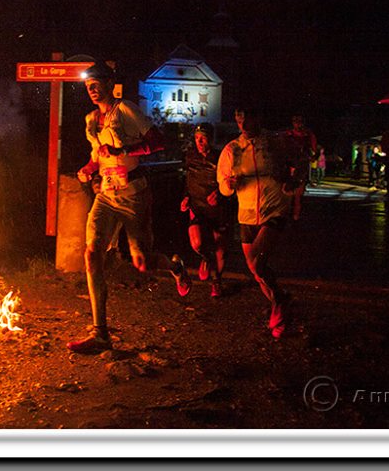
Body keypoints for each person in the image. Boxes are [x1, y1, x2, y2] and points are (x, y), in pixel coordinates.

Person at [68, 62, 191, 354]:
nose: (92, 90)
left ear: (110, 84)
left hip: (134, 193)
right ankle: (100, 333)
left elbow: (158, 142)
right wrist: (87, 170)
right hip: (106, 194)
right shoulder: (90, 120)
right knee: (92, 253)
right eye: (88, 86)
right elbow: (97, 158)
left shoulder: (125, 110)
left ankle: (174, 266)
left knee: (142, 262)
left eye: (96, 84)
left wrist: (123, 150)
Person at [218, 106, 296, 338]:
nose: (243, 126)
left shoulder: (275, 142)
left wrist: (292, 183)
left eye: (247, 120)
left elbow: (299, 163)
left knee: (258, 263)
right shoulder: (232, 149)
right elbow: (222, 185)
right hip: (247, 213)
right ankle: (279, 309)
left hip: (274, 208)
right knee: (254, 270)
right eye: (239, 121)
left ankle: (280, 301)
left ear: (258, 119)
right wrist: (228, 186)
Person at [180, 123, 228, 297]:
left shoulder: (220, 157)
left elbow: (229, 183)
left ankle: (216, 281)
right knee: (197, 243)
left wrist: (220, 194)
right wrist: (186, 196)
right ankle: (206, 258)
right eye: (197, 138)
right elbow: (188, 179)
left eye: (203, 138)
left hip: (217, 208)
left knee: (220, 248)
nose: (199, 142)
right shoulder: (190, 156)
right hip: (197, 206)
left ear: (211, 139)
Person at [284, 114, 317, 220]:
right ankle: (286, 215)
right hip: (288, 165)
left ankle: (295, 216)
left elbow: (314, 150)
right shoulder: (288, 134)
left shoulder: (308, 135)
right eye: (296, 122)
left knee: (298, 194)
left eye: (300, 122)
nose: (298, 124)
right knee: (286, 192)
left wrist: (311, 156)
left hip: (301, 166)